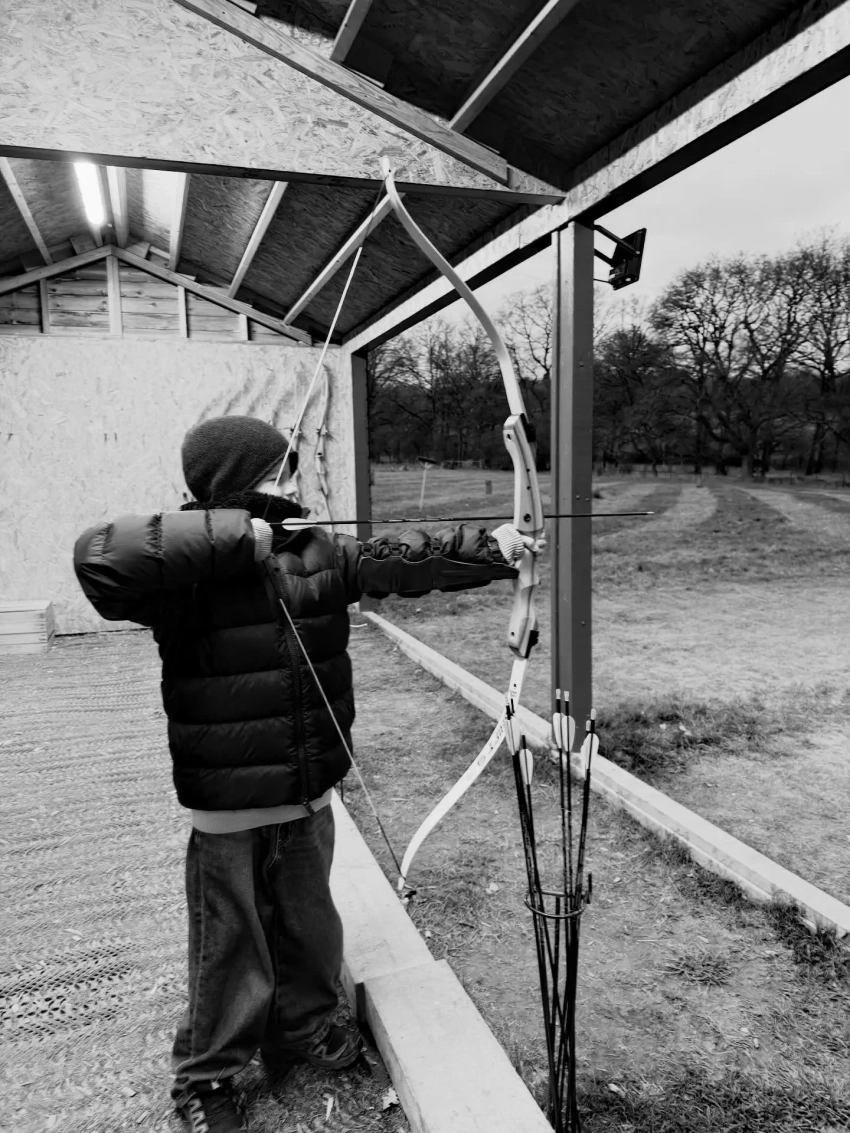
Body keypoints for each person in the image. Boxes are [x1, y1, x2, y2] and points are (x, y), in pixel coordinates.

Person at [73, 415, 539, 1133]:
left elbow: (400, 557)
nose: (292, 479)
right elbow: (99, 558)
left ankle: (303, 1026)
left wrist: (491, 547)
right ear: (235, 482)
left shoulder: (317, 551)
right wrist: (237, 538)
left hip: (307, 791)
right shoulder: (183, 572)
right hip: (228, 803)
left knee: (310, 927)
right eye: (278, 468)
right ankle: (207, 1074)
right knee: (229, 945)